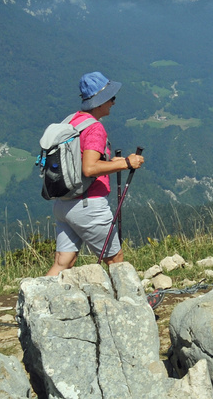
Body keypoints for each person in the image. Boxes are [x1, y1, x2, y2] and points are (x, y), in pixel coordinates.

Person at [46, 72, 145, 276]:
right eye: (111, 97)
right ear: (100, 100)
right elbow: (89, 169)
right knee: (115, 260)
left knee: (64, 262)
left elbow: (80, 161)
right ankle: (124, 297)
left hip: (64, 202)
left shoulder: (72, 121)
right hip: (87, 204)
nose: (113, 102)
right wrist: (126, 163)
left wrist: (114, 163)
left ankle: (37, 295)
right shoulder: (95, 128)